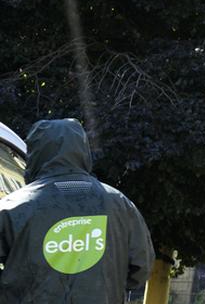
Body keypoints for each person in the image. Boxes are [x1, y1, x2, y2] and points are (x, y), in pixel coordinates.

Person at [0, 118, 153, 304]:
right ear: (83, 150)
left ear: (35, 152)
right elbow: (141, 268)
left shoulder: (13, 206)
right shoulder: (120, 205)